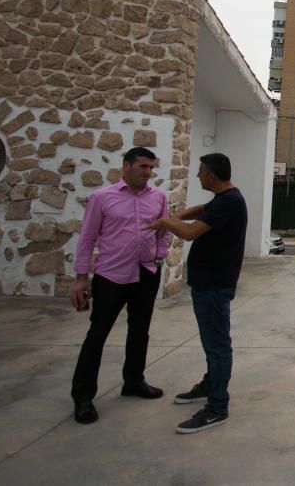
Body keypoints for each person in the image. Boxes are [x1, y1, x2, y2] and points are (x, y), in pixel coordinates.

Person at [147, 153, 247, 434]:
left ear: (212, 175)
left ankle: (217, 407)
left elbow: (190, 234)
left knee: (218, 347)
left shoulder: (230, 202)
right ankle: (210, 384)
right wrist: (174, 215)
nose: (197, 175)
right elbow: (200, 210)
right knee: (211, 343)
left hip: (215, 286)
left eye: (201, 171)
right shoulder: (223, 199)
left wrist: (166, 222)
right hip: (207, 284)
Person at [70, 147, 171, 425]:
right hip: (111, 276)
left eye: (151, 167)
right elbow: (87, 238)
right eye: (143, 166)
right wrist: (81, 278)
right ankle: (82, 397)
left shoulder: (159, 197)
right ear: (126, 166)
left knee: (140, 332)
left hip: (146, 273)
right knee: (98, 334)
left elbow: (165, 229)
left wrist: (159, 255)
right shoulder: (103, 198)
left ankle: (134, 382)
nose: (148, 172)